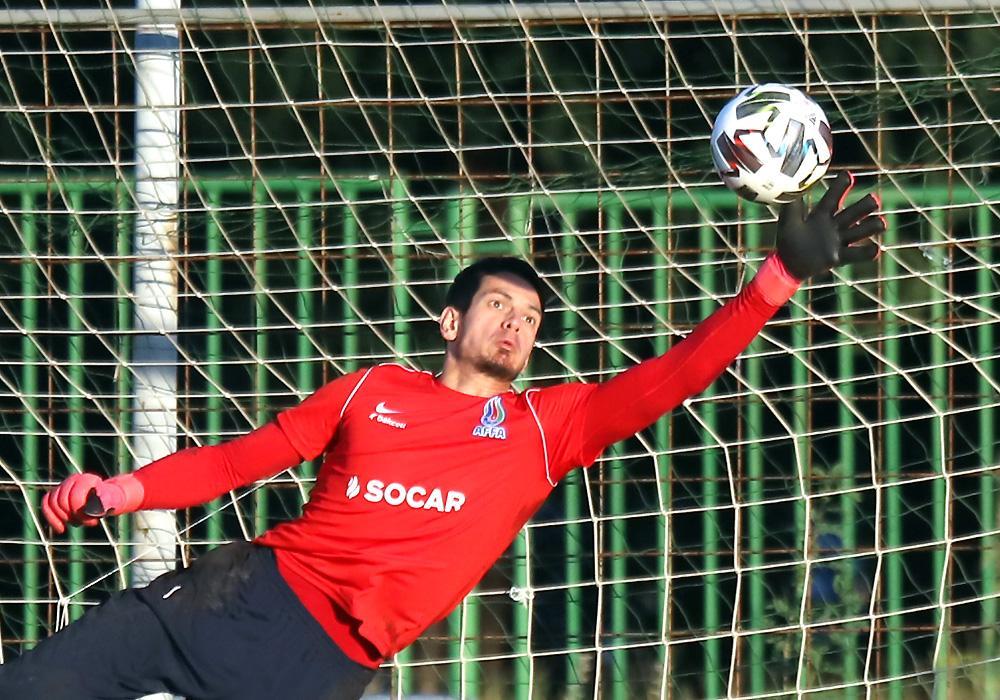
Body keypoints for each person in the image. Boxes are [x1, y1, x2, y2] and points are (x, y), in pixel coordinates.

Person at [0, 172, 884, 700]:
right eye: (499, 304)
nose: (516, 323)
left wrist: (776, 278)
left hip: (320, 664)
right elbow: (243, 459)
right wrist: (120, 491)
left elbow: (676, 375)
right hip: (235, 596)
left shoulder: (548, 427)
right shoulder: (373, 389)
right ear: (451, 321)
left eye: (530, 317)